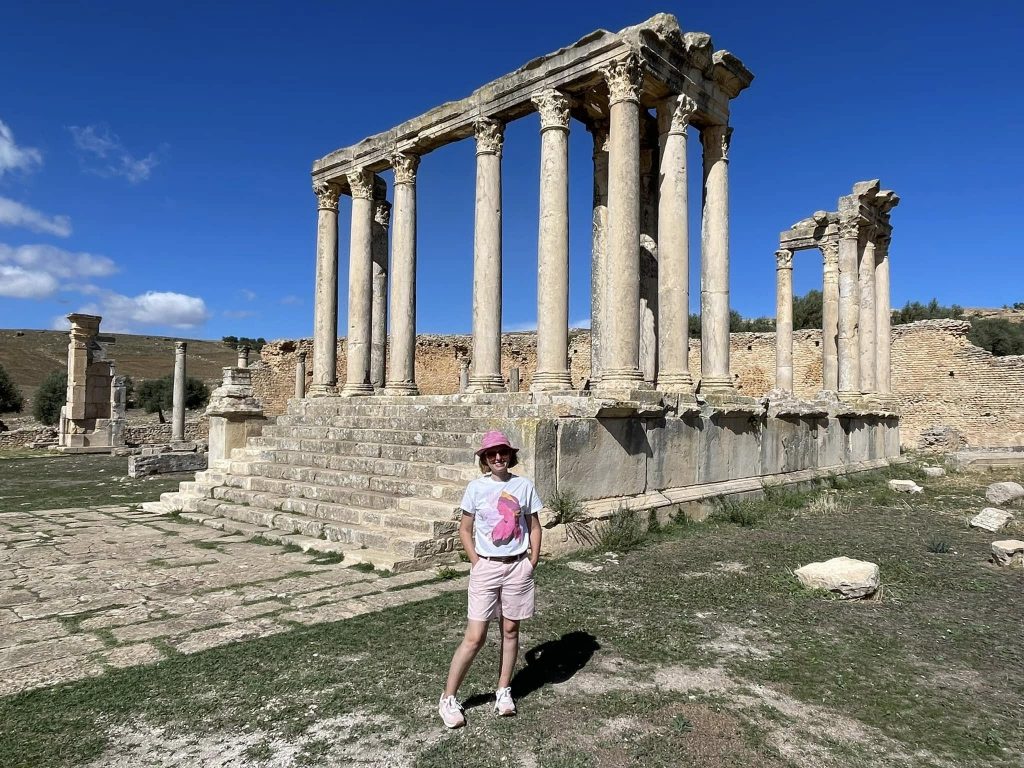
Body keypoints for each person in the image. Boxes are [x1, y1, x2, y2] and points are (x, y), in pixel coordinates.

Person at [438, 429, 543, 728]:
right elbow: (464, 529)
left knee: (511, 630)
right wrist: (475, 561)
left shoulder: (523, 486)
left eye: (503, 452)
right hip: (487, 567)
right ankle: (448, 698)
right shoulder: (475, 488)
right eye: (491, 453)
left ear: (511, 455)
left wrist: (531, 560)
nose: (498, 457)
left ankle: (503, 690)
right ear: (484, 459)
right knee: (475, 637)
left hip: (517, 567)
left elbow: (534, 525)